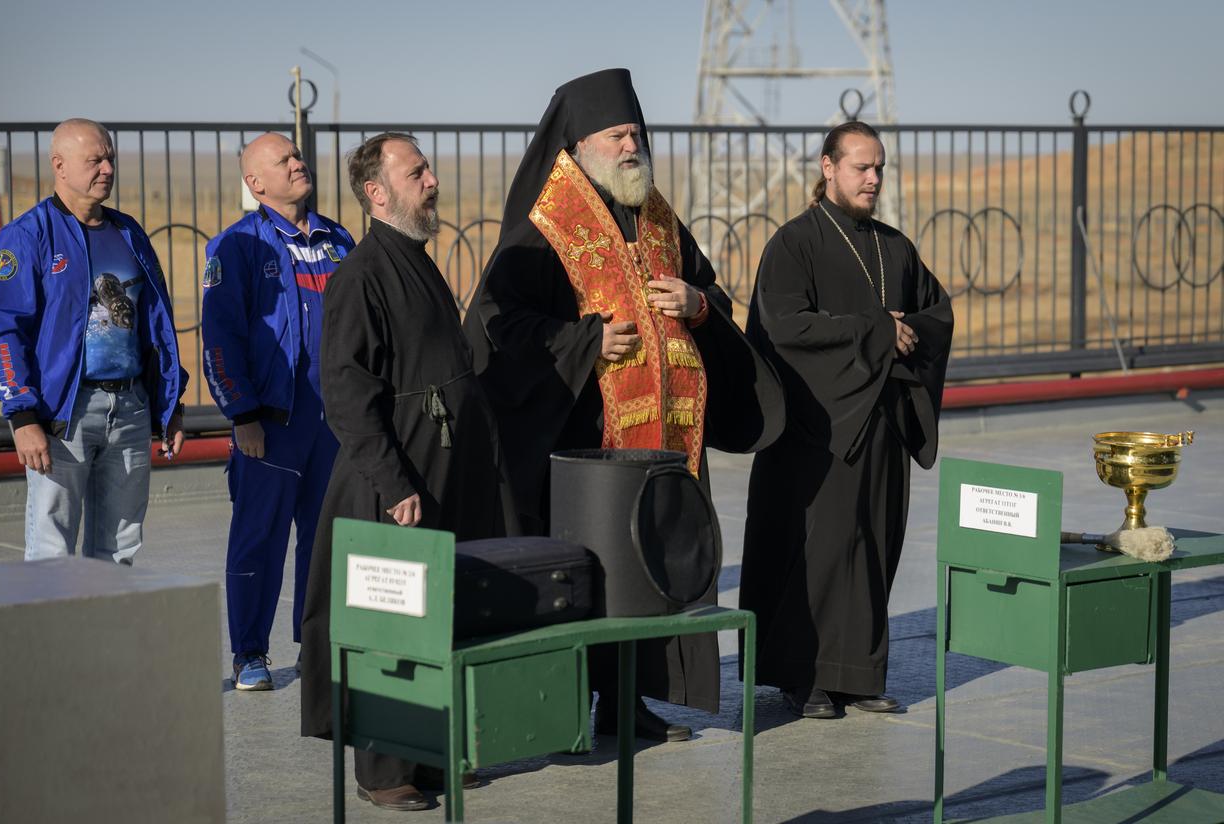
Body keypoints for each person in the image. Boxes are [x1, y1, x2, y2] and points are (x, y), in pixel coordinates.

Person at [463, 69, 783, 742]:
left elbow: (710, 296)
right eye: (617, 135)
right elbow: (496, 322)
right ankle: (570, 706)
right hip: (587, 439)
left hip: (666, 438)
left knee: (652, 562)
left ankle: (629, 700)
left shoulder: (657, 214)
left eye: (637, 132)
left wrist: (698, 306)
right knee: (597, 567)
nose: (632, 145)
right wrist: (587, 341)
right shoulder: (545, 224)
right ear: (580, 145)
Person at [299, 133, 506, 812]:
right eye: (417, 172)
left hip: (443, 469)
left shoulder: (415, 259)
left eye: (428, 169)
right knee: (392, 624)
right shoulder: (361, 275)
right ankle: (385, 770)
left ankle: (434, 751)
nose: (434, 180)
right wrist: (394, 484)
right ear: (377, 193)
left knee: (437, 617)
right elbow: (346, 391)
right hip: (394, 481)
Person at [739, 121, 953, 719]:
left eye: (879, 167)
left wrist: (903, 333)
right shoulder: (794, 244)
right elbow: (785, 329)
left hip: (879, 423)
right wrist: (877, 329)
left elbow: (936, 312)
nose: (873, 178)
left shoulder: (895, 246)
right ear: (828, 167)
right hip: (817, 431)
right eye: (861, 167)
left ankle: (857, 673)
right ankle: (803, 680)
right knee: (819, 553)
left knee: (874, 544)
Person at [0, 117, 187, 562]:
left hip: (131, 409)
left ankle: (106, 633)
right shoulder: (27, 236)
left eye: (110, 158)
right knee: (51, 548)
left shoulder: (129, 233)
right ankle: (52, 634)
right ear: (59, 165)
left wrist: (170, 404)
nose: (107, 168)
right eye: (94, 160)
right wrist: (22, 415)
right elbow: (4, 334)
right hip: (62, 415)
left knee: (121, 549)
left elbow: (158, 327)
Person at [201, 133, 355, 691]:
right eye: (284, 160)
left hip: (334, 425)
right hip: (271, 425)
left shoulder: (339, 240)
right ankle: (249, 654)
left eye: (298, 155)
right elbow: (220, 339)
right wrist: (242, 415)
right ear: (255, 183)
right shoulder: (237, 247)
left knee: (327, 538)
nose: (299, 163)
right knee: (258, 538)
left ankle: (318, 647)